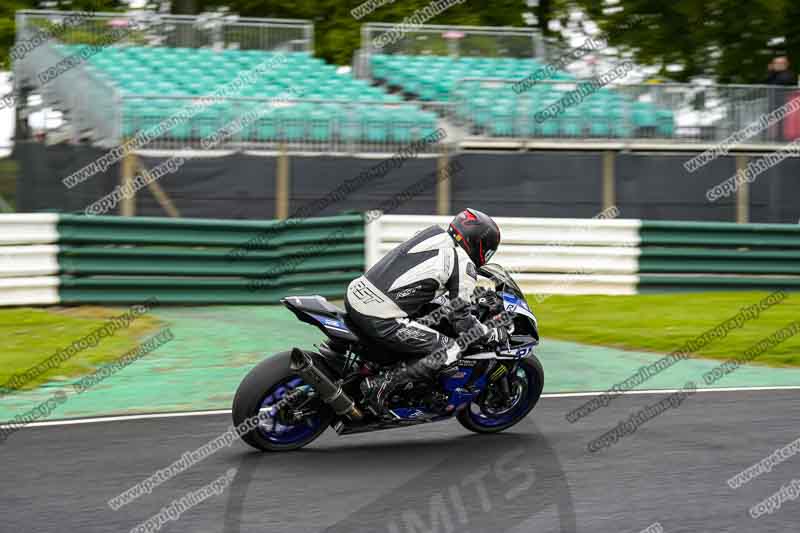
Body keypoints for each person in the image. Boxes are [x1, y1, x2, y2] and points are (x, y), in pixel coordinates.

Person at [344, 208, 507, 416]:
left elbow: (422, 281)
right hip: (380, 317)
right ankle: (381, 385)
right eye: (488, 249)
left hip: (356, 294)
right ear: (478, 243)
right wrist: (491, 332)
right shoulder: (464, 263)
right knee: (449, 349)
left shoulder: (432, 234)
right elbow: (462, 323)